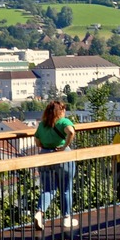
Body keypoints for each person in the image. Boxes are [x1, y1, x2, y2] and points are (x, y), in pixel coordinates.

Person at [33, 99, 78, 231]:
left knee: (48, 189)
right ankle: (66, 218)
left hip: (45, 157)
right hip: (62, 157)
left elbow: (37, 141)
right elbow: (71, 131)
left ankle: (39, 212)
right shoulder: (63, 121)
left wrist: (46, 147)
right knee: (66, 188)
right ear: (61, 111)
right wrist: (64, 146)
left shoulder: (42, 125)